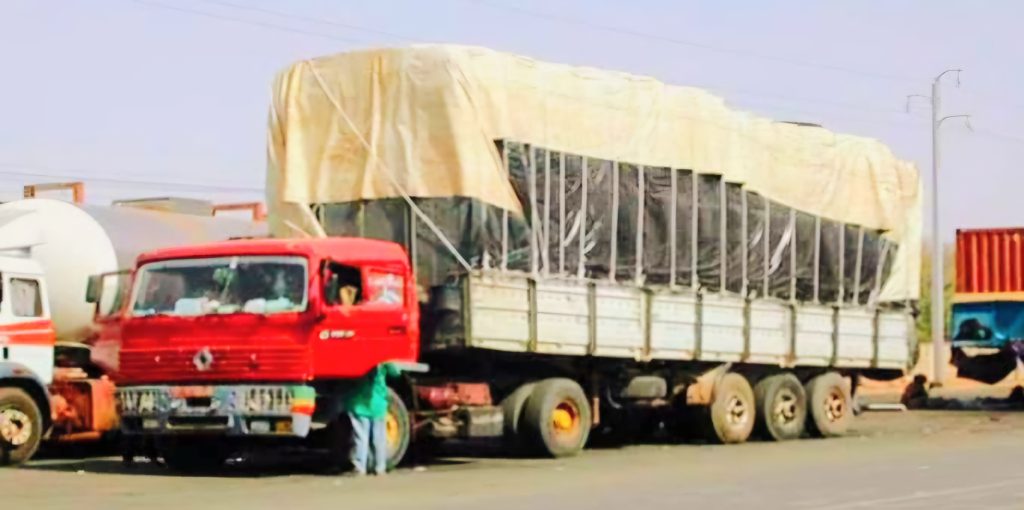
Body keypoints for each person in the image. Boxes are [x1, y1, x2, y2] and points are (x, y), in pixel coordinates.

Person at [344, 361, 402, 476]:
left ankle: (360, 468)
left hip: (360, 404)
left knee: (361, 437)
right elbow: (396, 372)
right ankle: (380, 468)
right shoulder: (383, 362)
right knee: (379, 438)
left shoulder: (359, 359)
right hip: (377, 405)